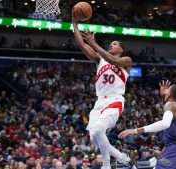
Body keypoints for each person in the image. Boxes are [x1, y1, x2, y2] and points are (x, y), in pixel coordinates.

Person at [72, 12, 134, 169]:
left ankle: (106, 165)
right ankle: (122, 157)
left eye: (114, 44)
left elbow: (114, 60)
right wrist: (74, 23)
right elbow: (81, 44)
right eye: (110, 44)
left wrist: (94, 43)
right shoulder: (99, 59)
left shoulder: (126, 60)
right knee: (95, 137)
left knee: (100, 129)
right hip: (100, 101)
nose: (111, 45)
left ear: (121, 49)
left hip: (115, 99)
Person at [119, 84, 176, 169]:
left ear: (169, 94)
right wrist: (163, 153)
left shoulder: (170, 104)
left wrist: (136, 130)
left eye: (167, 91)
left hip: (175, 152)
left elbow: (165, 123)